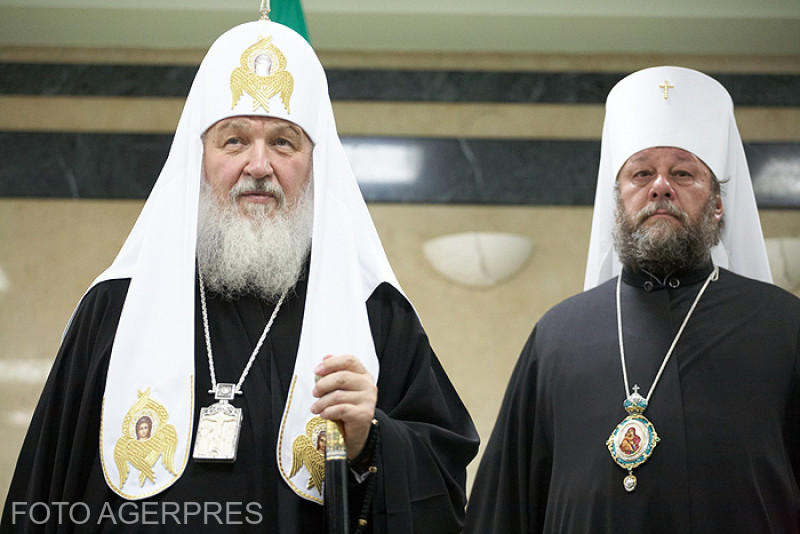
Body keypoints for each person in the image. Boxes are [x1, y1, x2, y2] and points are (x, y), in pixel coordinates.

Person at [2, 15, 478, 533]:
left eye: (284, 142)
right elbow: (46, 488)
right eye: (233, 141)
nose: (258, 165)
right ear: (199, 159)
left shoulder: (373, 311)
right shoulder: (115, 307)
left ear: (315, 165)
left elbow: (443, 486)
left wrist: (371, 441)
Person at [465, 66, 800, 533]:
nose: (661, 186)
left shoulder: (785, 326)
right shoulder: (556, 337)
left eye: (683, 173)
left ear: (719, 204)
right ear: (617, 201)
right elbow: (503, 508)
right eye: (641, 173)